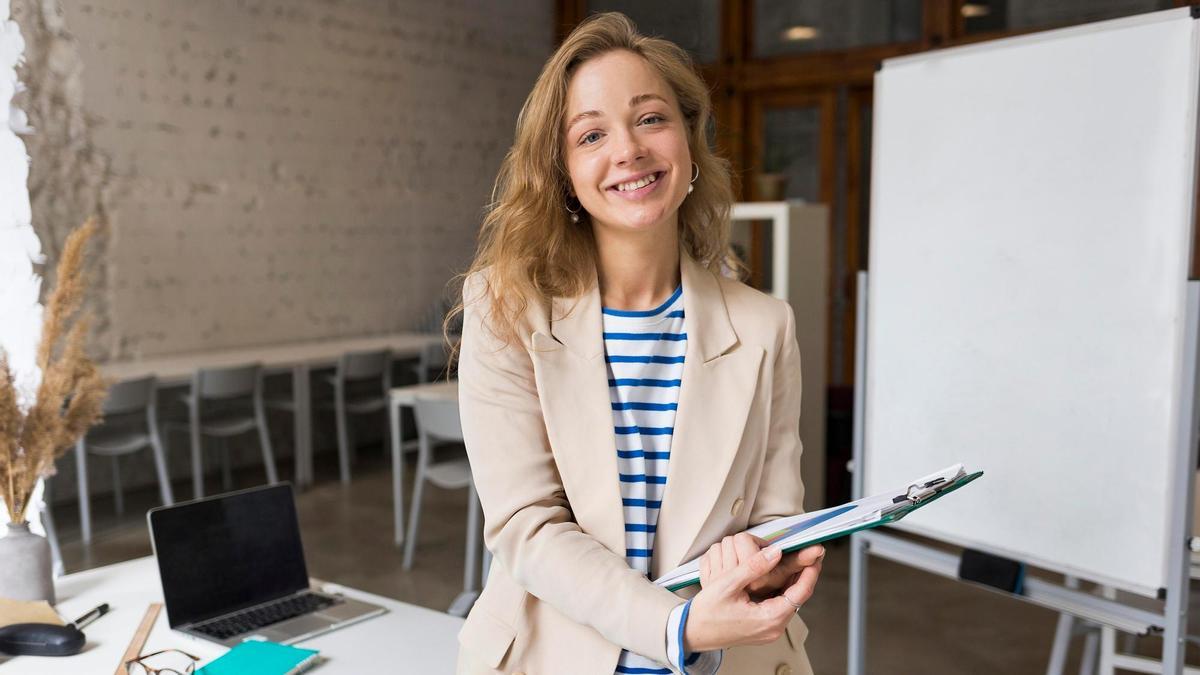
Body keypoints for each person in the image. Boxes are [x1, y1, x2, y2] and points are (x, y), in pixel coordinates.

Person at [451, 12, 823, 675]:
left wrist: (769, 566)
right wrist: (675, 624)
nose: (627, 149)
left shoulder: (768, 325)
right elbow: (527, 526)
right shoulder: (504, 309)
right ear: (563, 173)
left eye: (650, 118)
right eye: (591, 134)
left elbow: (774, 519)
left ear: (687, 138)